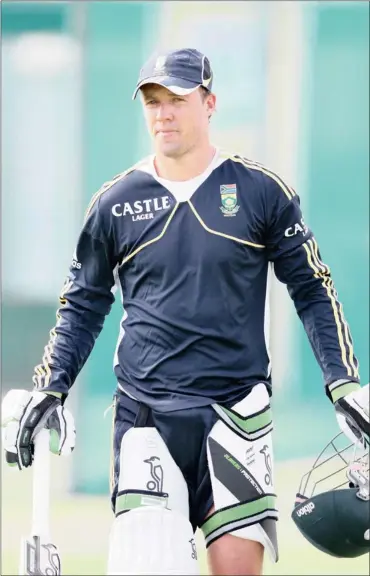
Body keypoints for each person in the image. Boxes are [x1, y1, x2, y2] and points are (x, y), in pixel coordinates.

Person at [2, 48, 369, 576]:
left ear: (210, 102)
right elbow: (83, 302)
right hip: (146, 415)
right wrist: (51, 385)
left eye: (176, 99)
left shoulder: (261, 191)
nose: (163, 113)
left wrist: (342, 385)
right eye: (153, 101)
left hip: (237, 414)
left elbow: (312, 288)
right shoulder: (115, 202)